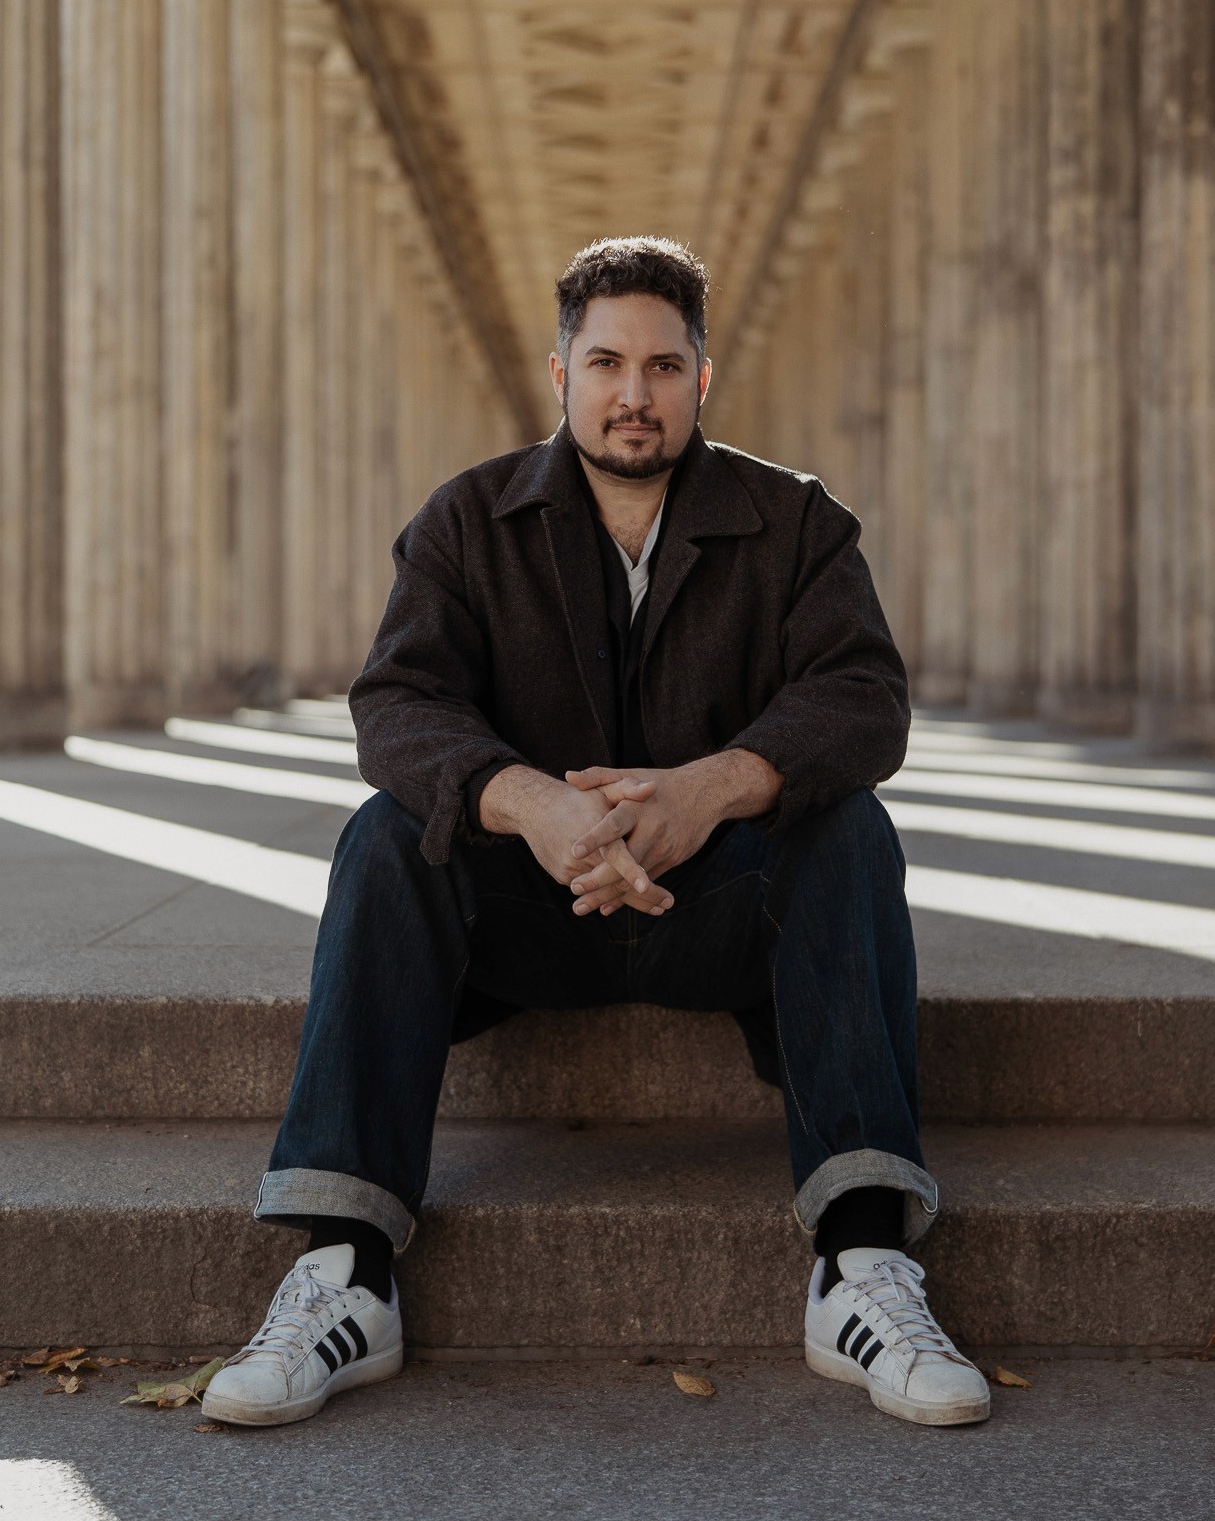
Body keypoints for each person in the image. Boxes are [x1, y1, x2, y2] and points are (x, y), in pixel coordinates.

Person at [202, 236, 990, 1431]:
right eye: (608, 360)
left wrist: (710, 789)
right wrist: (531, 802)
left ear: (703, 380)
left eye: (664, 365)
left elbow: (863, 695)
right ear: (558, 371)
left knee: (851, 832)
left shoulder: (797, 523)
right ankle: (346, 1270)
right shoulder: (467, 521)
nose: (635, 392)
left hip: (717, 912)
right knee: (381, 837)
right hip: (528, 915)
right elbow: (397, 705)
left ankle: (860, 1261)